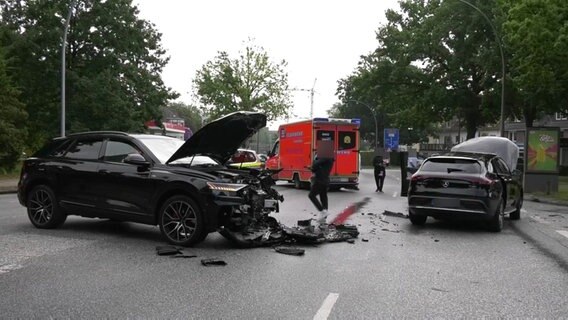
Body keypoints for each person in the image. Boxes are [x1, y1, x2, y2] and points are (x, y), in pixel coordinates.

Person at [308, 141, 335, 224]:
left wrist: (315, 159)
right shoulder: (329, 157)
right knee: (323, 197)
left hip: (320, 180)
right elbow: (317, 167)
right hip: (325, 180)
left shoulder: (325, 157)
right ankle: (324, 216)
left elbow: (315, 164)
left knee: (311, 195)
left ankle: (322, 211)